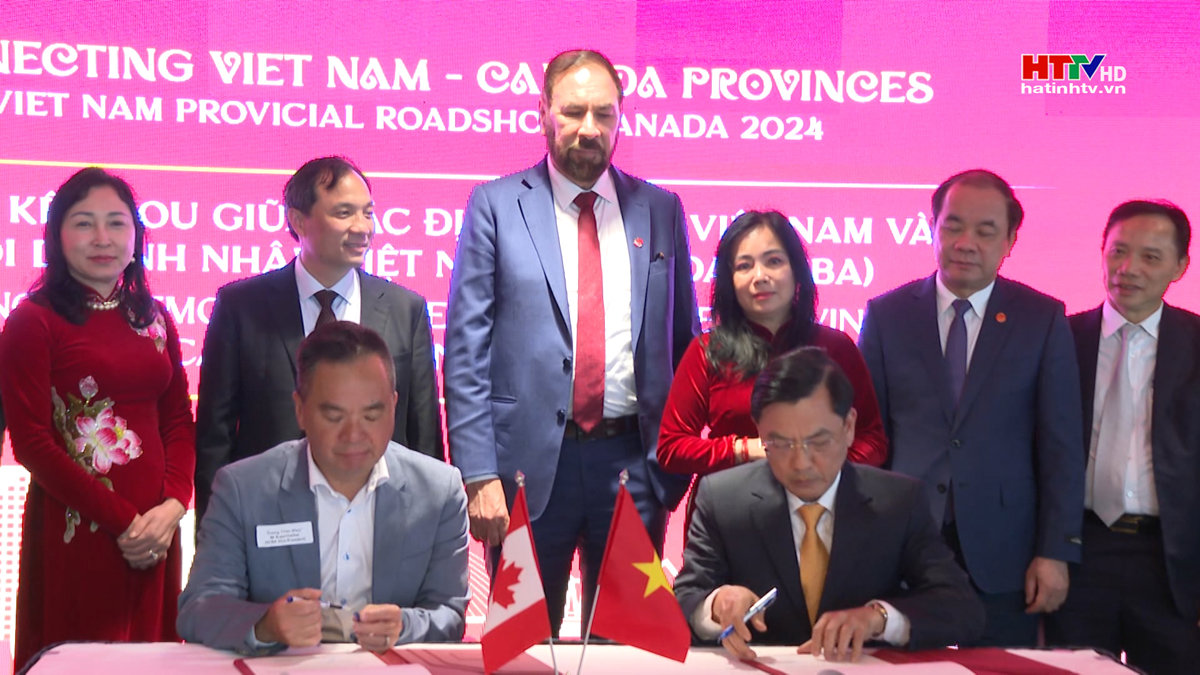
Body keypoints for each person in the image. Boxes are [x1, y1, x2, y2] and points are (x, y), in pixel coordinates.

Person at [444, 49, 699, 632]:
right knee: (520, 642)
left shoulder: (661, 209)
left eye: (604, 114)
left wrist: (672, 471)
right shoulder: (496, 205)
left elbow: (686, 342)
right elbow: (465, 354)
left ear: (620, 118)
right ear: (544, 112)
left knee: (628, 646)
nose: (589, 128)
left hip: (633, 468)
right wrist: (479, 474)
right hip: (526, 471)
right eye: (574, 111)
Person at [857, 169, 1084, 646]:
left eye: (985, 231)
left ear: (1010, 241)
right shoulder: (887, 315)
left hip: (1005, 549)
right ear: (932, 227)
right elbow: (868, 439)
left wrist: (1055, 552)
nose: (965, 243)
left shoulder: (1041, 319)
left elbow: (1061, 448)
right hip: (904, 541)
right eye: (953, 226)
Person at [0, 168, 195, 670]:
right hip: (81, 530)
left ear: (136, 235)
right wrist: (125, 523)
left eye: (117, 223)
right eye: (84, 223)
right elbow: (32, 443)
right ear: (57, 236)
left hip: (156, 534)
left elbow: (177, 419)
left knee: (150, 657)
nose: (102, 238)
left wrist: (174, 506)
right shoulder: (32, 321)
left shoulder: (154, 317)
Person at [674, 347, 983, 662]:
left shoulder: (899, 502)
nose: (801, 463)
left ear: (849, 427)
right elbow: (685, 599)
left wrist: (879, 618)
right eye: (780, 443)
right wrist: (717, 604)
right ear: (759, 431)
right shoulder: (722, 499)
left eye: (818, 442)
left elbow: (962, 608)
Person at [178, 321, 469, 654]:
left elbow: (450, 614)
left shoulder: (439, 491)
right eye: (334, 416)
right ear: (300, 410)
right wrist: (265, 624)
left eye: (371, 415)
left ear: (393, 405)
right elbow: (199, 609)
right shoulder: (244, 489)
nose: (354, 435)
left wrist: (405, 625)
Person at [194, 156, 441, 521]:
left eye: (368, 213)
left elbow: (425, 439)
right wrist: (213, 533)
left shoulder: (406, 309)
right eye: (344, 213)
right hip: (271, 519)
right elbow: (215, 437)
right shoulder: (242, 307)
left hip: (382, 521)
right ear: (298, 221)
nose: (362, 228)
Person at [1045, 200, 1200, 673]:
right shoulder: (1059, 339)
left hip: (1172, 560)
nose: (1128, 269)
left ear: (1180, 266)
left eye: (1150, 257)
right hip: (1078, 552)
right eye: (1118, 251)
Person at [658, 210, 887, 481]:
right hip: (731, 499)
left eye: (774, 261)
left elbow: (872, 440)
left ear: (797, 271)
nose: (760, 276)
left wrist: (822, 470)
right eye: (744, 266)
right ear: (729, 280)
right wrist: (748, 449)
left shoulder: (836, 348)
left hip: (822, 499)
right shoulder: (707, 350)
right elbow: (671, 448)